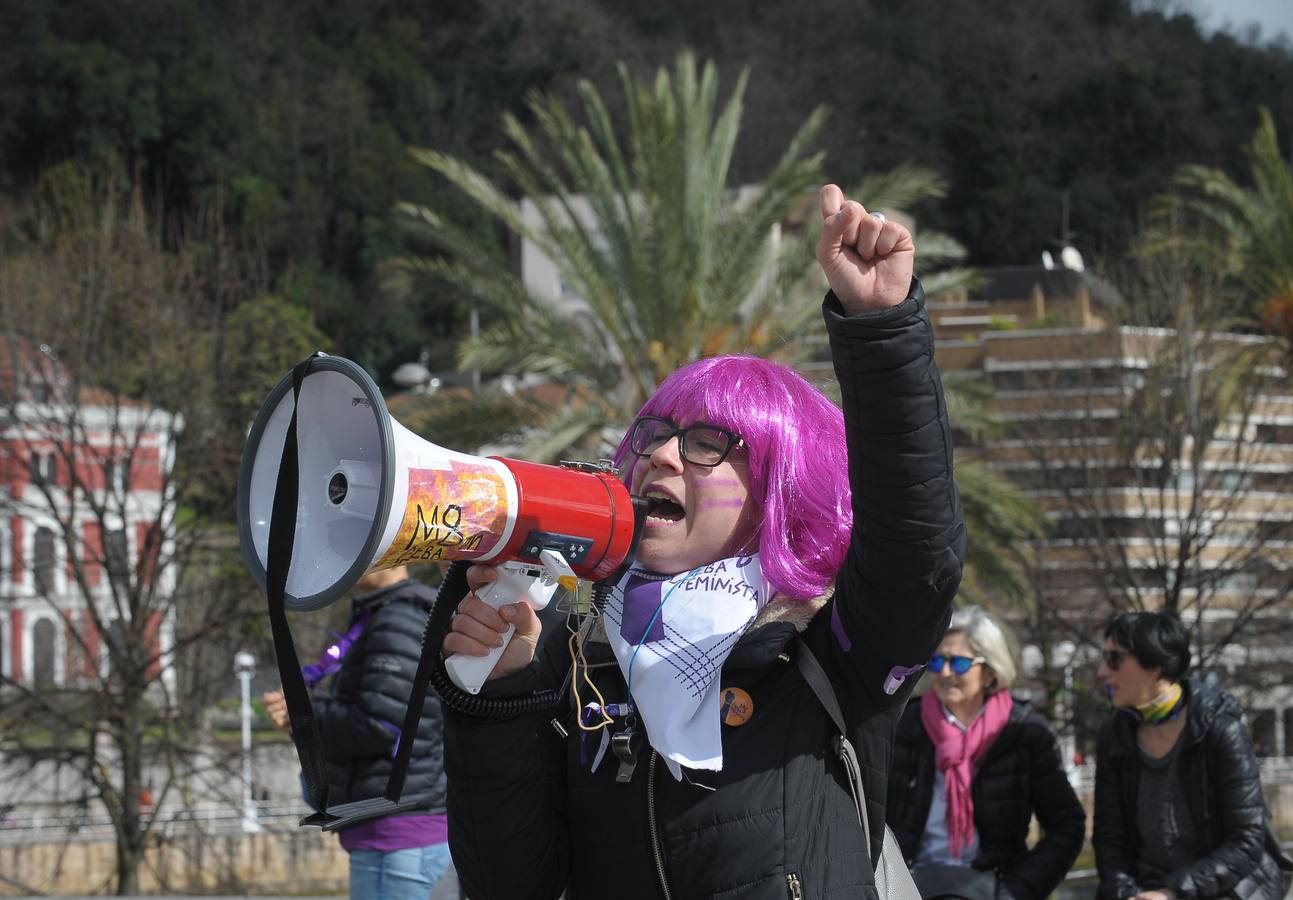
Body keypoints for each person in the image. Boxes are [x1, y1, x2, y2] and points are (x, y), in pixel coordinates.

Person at [439, 184, 967, 899]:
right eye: (651, 436)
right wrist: (500, 700)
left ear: (781, 492)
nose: (659, 456)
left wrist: (880, 331)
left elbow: (918, 551)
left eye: (708, 443)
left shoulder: (830, 654)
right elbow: (510, 886)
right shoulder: (574, 661)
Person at [263, 566, 456, 900]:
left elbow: (380, 725)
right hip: (400, 837)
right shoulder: (390, 613)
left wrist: (303, 718)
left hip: (396, 840)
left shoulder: (398, 619)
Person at [887, 606, 1085, 900]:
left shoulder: (1024, 733)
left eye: (960, 664)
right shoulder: (904, 726)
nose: (944, 672)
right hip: (911, 886)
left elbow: (1067, 825)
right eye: (938, 660)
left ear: (990, 672)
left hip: (991, 888)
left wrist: (1014, 891)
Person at [1092, 611, 1290, 900]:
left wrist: (1172, 893)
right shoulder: (1113, 734)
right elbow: (1110, 840)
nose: (1102, 671)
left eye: (1114, 659)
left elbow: (1246, 841)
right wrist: (1128, 895)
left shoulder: (1220, 729)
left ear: (1155, 666)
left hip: (1221, 888)